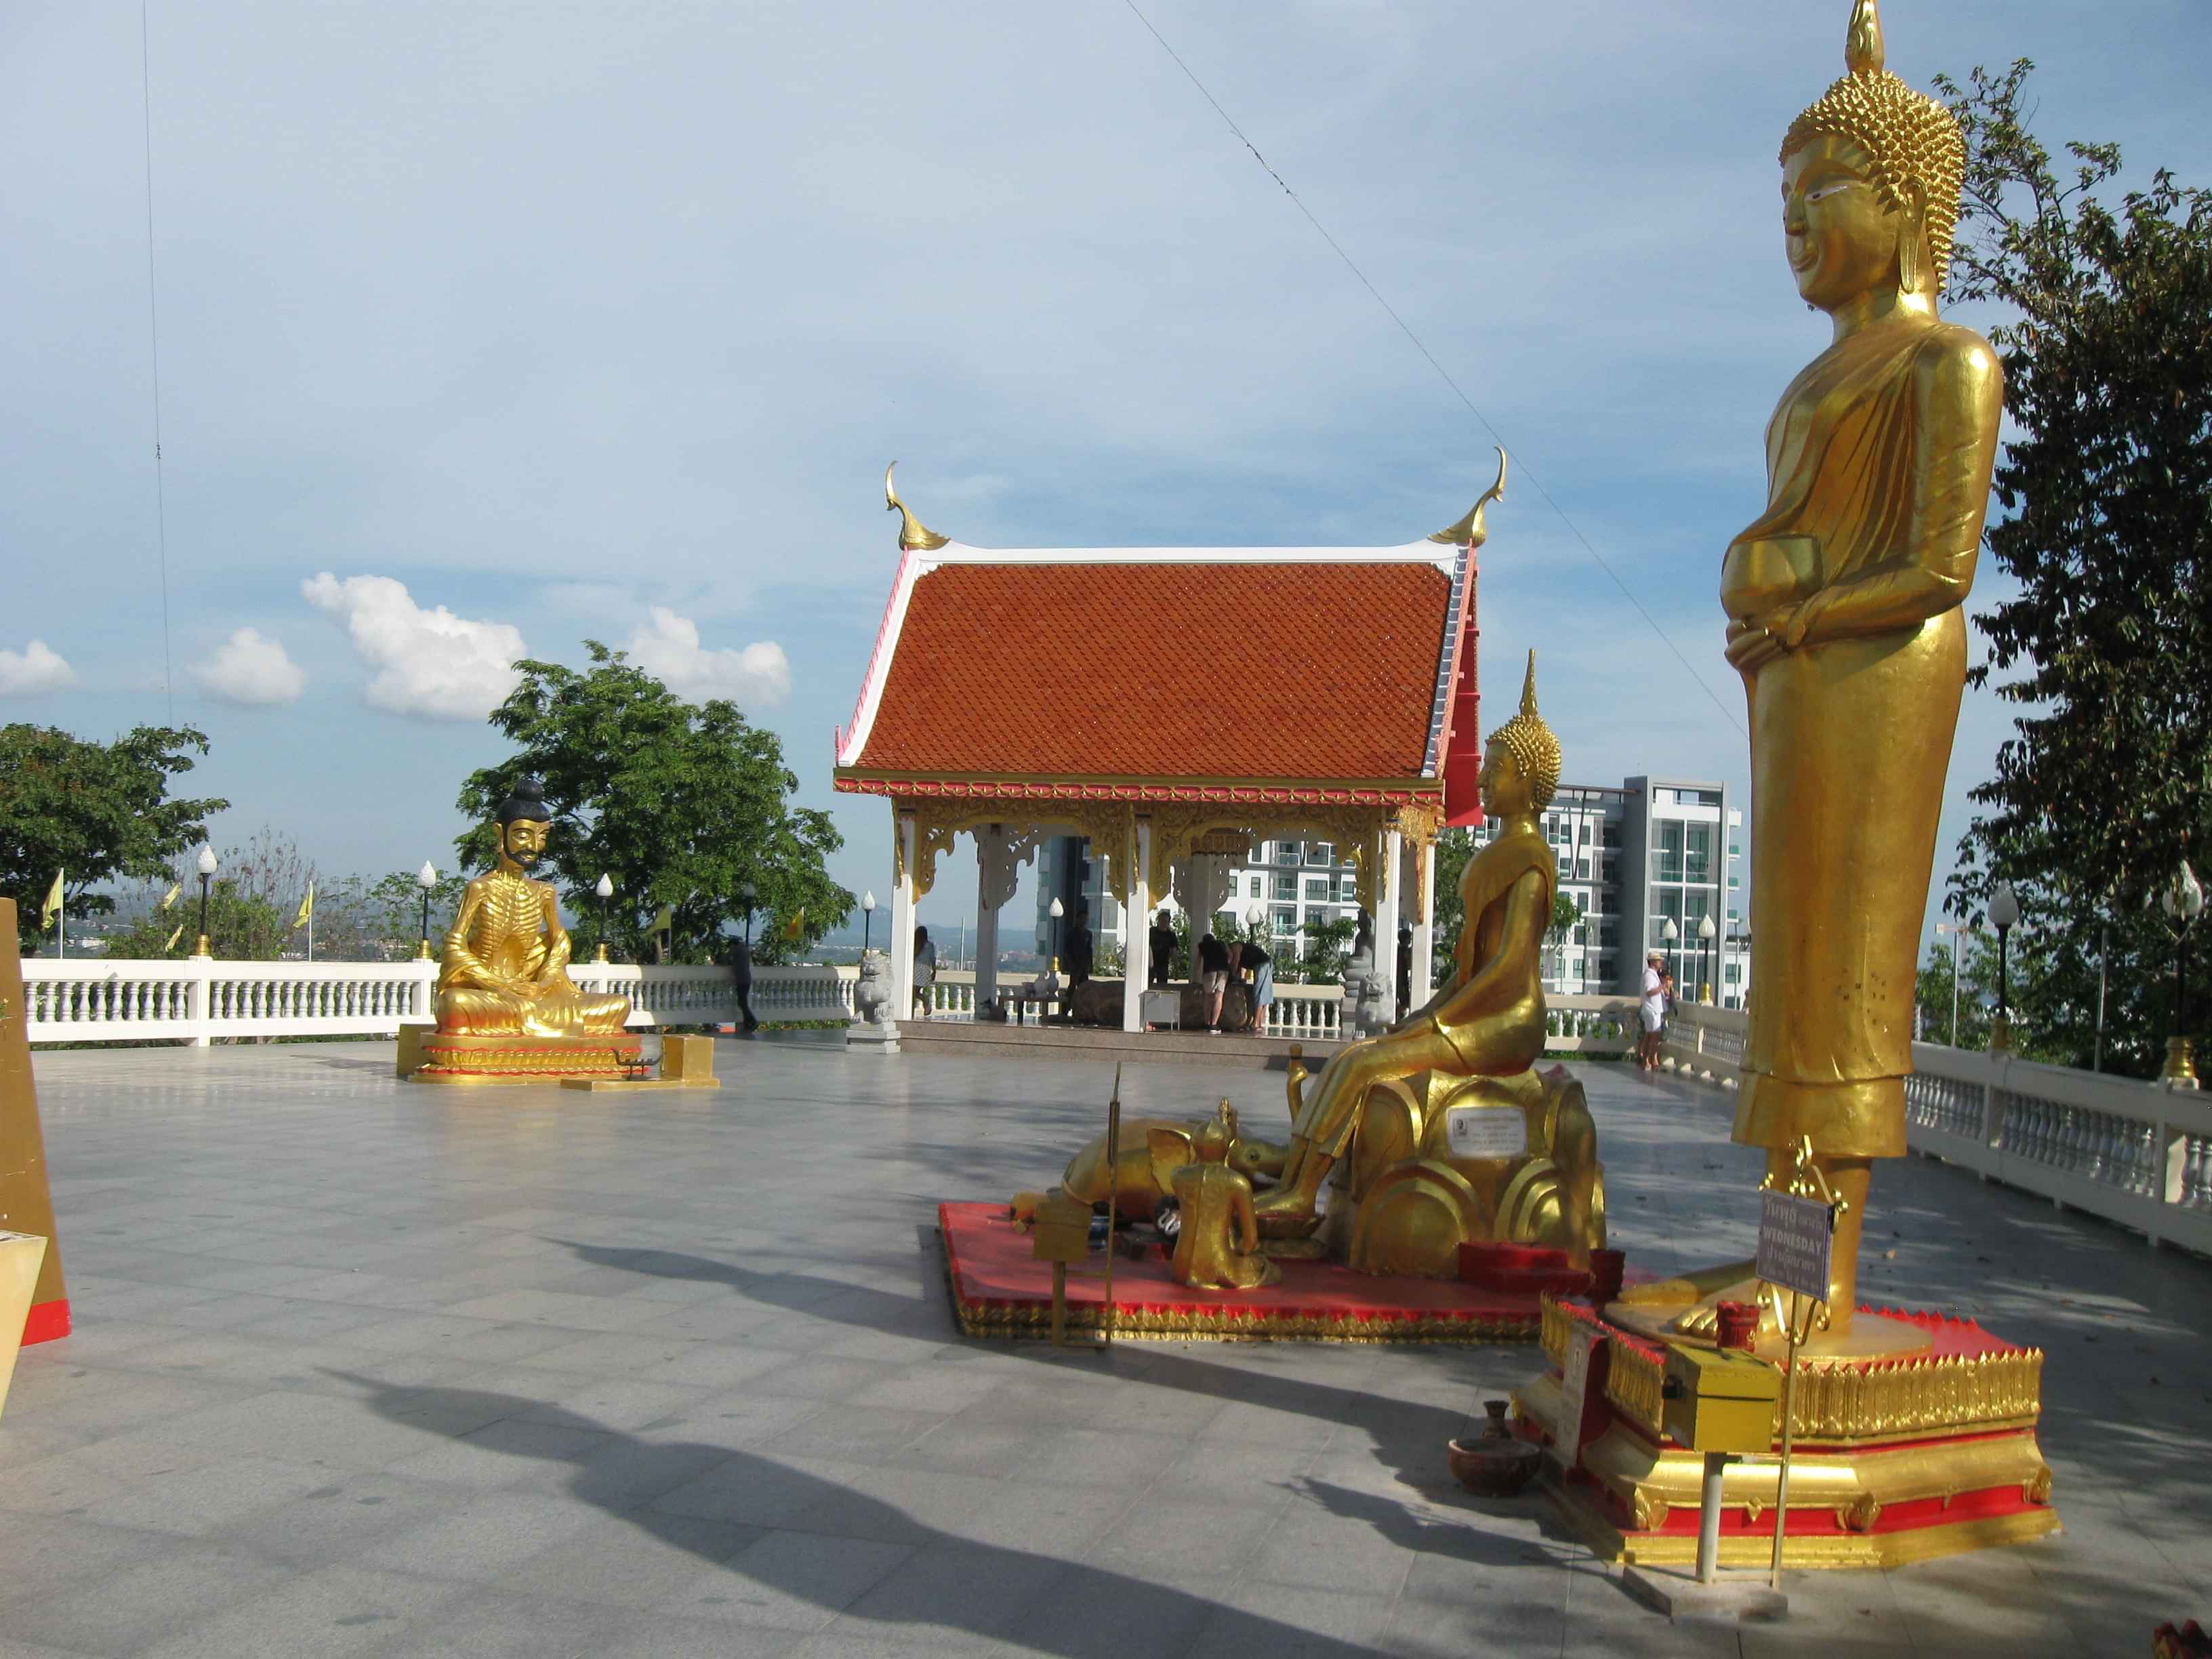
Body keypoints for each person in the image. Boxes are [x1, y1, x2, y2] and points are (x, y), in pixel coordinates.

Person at [1235, 939, 1275, 1036]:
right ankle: (1258, 1023)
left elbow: (1235, 965)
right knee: (1264, 994)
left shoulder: (1235, 946)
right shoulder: (1243, 952)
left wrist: (1232, 976)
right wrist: (1241, 978)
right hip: (1265, 963)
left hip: (1263, 964)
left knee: (1260, 993)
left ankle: (1256, 1024)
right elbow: (1240, 968)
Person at [1637, 951, 1666, 1070]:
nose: (1661, 963)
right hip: (1652, 1010)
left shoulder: (1652, 974)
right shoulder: (1649, 975)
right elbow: (1649, 992)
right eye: (1659, 960)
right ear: (1653, 962)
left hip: (1653, 1009)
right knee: (1654, 1036)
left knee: (1650, 1036)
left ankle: (1649, 1061)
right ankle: (1648, 1061)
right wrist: (1663, 987)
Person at [1195, 932, 1230, 1033]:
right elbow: (1230, 955)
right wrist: (1226, 964)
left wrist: (1194, 978)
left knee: (1208, 997)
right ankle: (1214, 1025)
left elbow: (1197, 963)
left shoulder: (1202, 946)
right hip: (1223, 971)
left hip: (1209, 971)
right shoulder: (1222, 943)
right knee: (1219, 997)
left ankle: (1207, 1024)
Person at [727, 930, 758, 1035]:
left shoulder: (737, 950)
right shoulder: (745, 950)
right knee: (742, 1002)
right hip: (746, 979)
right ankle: (747, 1023)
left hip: (741, 980)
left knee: (742, 1003)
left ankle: (752, 1021)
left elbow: (726, 957)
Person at [1066, 901, 1094, 986]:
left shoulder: (1088, 934)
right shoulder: (1071, 933)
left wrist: (1090, 965)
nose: (1084, 921)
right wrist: (1071, 963)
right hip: (1075, 964)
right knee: (1073, 985)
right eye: (1082, 919)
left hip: (1084, 965)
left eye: (1085, 919)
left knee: (1084, 986)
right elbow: (1067, 950)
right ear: (1077, 919)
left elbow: (1089, 950)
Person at [912, 925, 937, 1019]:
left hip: (916, 969)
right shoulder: (930, 945)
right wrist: (934, 971)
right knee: (915, 992)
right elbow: (932, 959)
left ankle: (926, 1002)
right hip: (925, 970)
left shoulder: (915, 945)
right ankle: (926, 1003)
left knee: (913, 992)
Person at [1149, 910, 1175, 987]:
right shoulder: (1152, 932)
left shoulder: (1171, 935)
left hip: (1163, 964)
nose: (1164, 923)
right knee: (1147, 985)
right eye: (1162, 920)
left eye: (1166, 921)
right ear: (1158, 921)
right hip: (1150, 964)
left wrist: (1176, 968)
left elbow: (1174, 951)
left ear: (1169, 922)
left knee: (1163, 986)